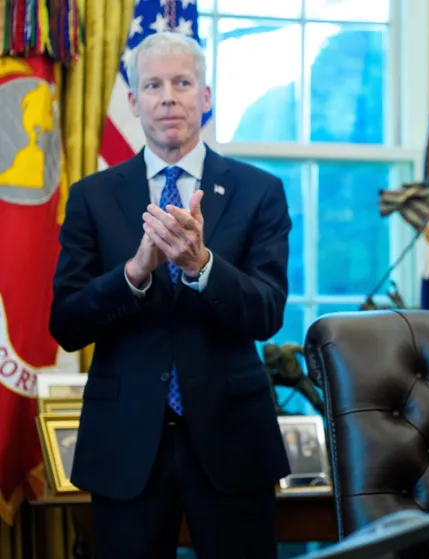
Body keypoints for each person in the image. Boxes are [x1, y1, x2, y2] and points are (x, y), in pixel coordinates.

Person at [49, 31, 291, 559]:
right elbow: (66, 325)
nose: (168, 97)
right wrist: (135, 272)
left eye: (183, 82)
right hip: (126, 441)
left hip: (232, 441)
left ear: (205, 96)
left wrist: (201, 266)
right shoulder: (92, 196)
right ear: (133, 102)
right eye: (153, 84)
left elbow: (268, 311)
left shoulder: (259, 192)